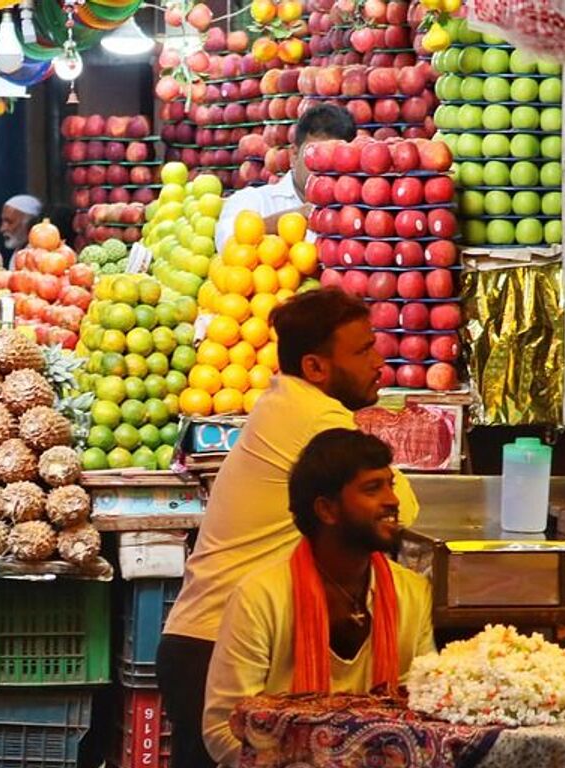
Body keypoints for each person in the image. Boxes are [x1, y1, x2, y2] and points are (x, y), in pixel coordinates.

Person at [156, 288, 420, 768]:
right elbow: (404, 510)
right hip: (218, 646)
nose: (379, 361)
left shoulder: (286, 400)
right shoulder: (315, 414)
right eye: (362, 350)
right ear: (316, 367)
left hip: (205, 638)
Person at [202, 428, 435, 766]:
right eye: (373, 488)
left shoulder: (412, 593)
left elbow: (421, 708)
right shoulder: (260, 597)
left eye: (390, 485)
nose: (392, 501)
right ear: (327, 510)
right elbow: (223, 729)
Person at [215, 105, 357, 248]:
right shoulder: (254, 201)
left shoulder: (356, 211)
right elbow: (227, 244)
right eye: (315, 154)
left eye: (334, 158)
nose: (324, 167)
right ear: (294, 155)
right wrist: (295, 217)